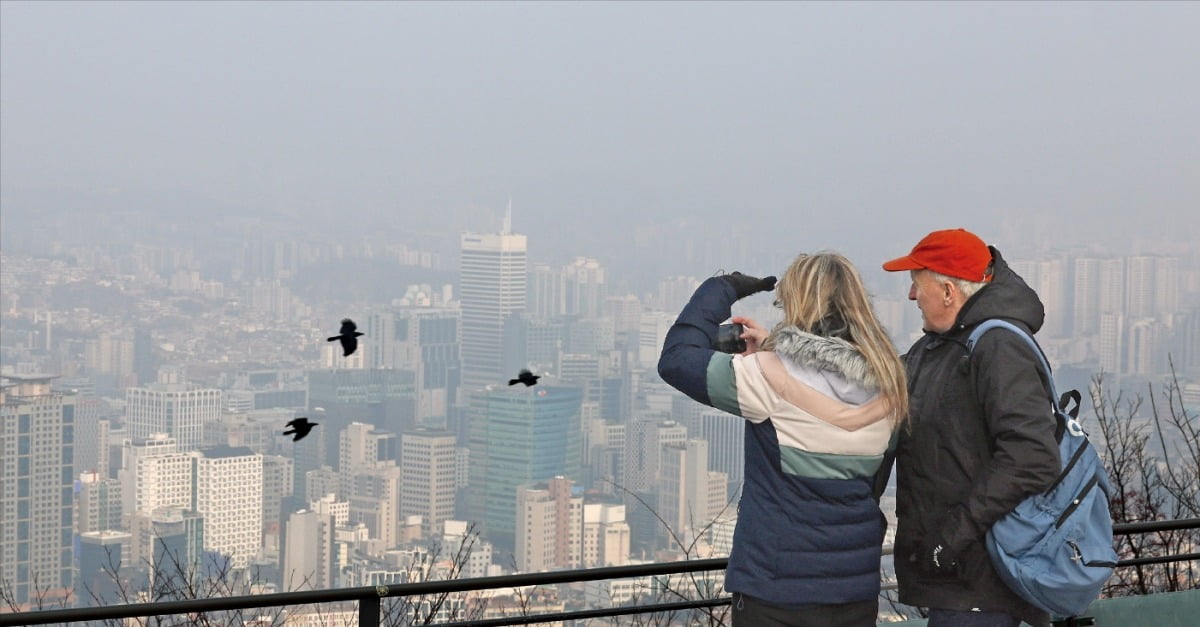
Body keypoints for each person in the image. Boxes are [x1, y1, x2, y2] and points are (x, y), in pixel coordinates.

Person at [658, 252, 909, 627]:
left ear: (799, 304)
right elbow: (872, 480)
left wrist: (723, 287)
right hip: (854, 591)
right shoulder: (892, 387)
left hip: (776, 590)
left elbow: (676, 360)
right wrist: (776, 351)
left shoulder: (767, 379)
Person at [880, 228, 1061, 627]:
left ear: (948, 292)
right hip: (958, 583)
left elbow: (1033, 455)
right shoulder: (940, 348)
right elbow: (881, 382)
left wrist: (953, 534)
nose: (912, 296)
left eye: (916, 284)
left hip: (984, 585)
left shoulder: (997, 347)